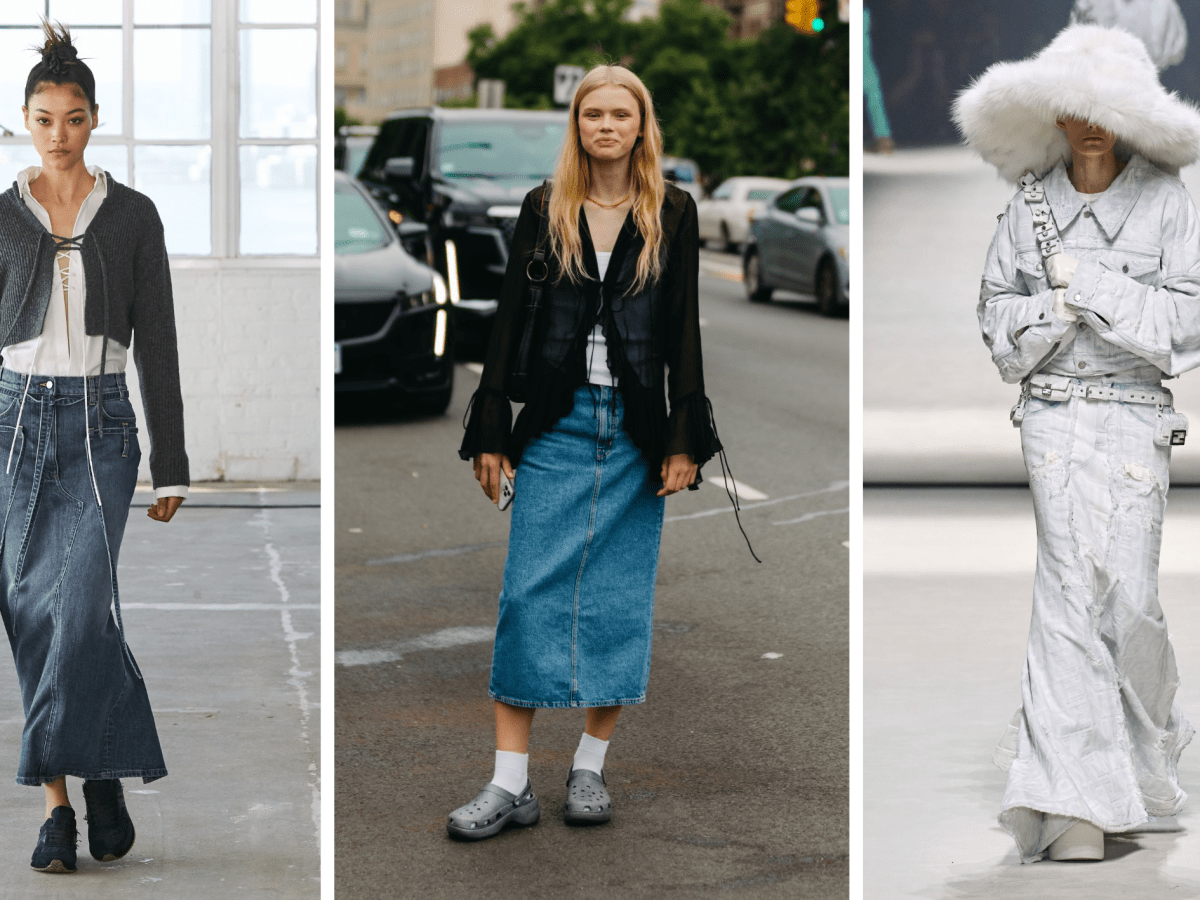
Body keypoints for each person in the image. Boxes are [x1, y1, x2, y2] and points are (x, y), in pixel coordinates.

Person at [450, 64, 724, 840]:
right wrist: (493, 428)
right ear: (577, 125)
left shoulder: (673, 209)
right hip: (557, 427)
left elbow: (683, 329)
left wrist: (683, 438)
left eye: (620, 114)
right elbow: (509, 317)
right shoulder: (547, 206)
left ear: (641, 126)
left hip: (636, 431)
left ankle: (589, 770)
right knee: (527, 597)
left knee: (616, 601)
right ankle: (509, 785)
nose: (606, 126)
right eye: (593, 114)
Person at [954, 24, 1200, 863]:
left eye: (1108, 110)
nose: (1091, 126)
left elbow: (1184, 326)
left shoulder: (1168, 202)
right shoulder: (1028, 205)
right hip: (1054, 412)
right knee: (1065, 595)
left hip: (1136, 416)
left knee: (1128, 597)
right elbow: (994, 321)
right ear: (1053, 115)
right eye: (1076, 109)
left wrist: (1087, 286)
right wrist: (1058, 312)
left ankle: (1152, 739)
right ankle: (1072, 807)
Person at [0, 23, 189, 873]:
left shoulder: (135, 216)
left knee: (78, 611)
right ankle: (69, 802)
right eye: (44, 118)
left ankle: (84, 774)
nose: (59, 133)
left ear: (94, 119)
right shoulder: (4, 218)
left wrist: (175, 462)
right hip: (12, 423)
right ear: (24, 121)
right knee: (31, 610)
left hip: (102, 428)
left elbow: (161, 343)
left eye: (73, 118)